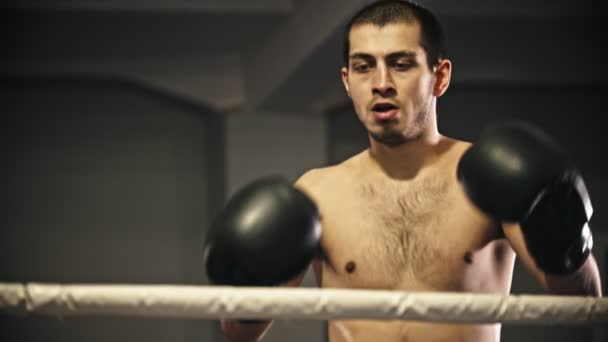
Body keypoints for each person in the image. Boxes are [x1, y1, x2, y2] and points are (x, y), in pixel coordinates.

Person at [204, 1, 603, 341]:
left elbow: (582, 306)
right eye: (363, 67)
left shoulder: (487, 179)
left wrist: (561, 230)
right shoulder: (317, 194)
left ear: (439, 77)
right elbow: (239, 334)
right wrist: (245, 279)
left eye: (400, 64)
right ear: (347, 81)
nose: (381, 83)